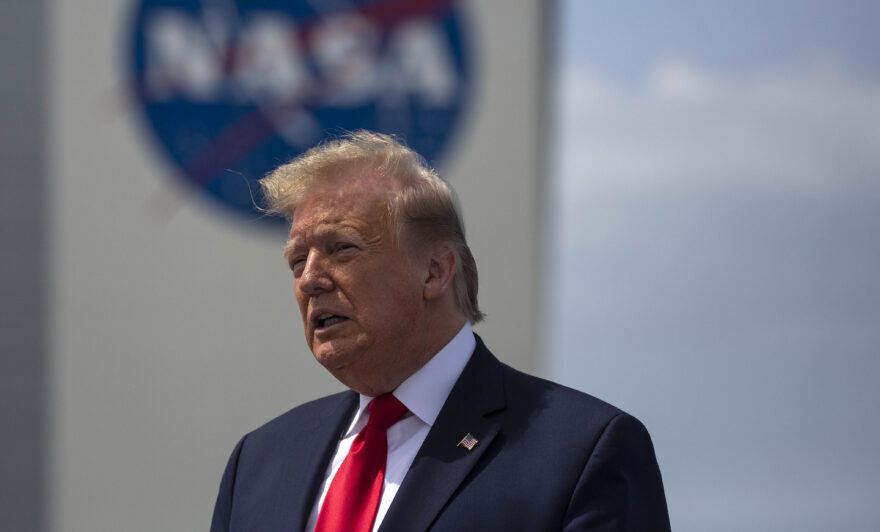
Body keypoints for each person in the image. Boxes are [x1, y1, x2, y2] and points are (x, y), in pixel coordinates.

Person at [211, 131, 670, 531]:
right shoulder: (257, 463)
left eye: (342, 248)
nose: (310, 279)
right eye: (297, 261)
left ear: (435, 271)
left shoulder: (582, 452)